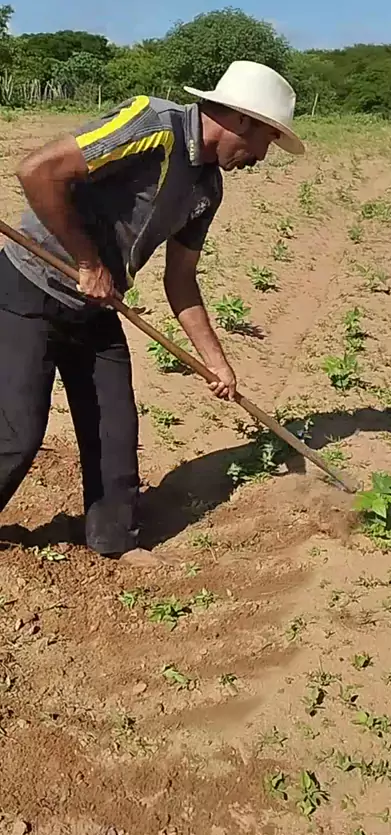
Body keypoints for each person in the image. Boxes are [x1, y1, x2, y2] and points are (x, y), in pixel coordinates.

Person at [0, 60, 304, 559]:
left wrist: (216, 361)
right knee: (16, 434)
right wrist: (88, 261)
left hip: (95, 307)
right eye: (266, 139)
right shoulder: (153, 125)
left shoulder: (208, 190)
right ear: (241, 119)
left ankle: (114, 541)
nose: (261, 156)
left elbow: (180, 280)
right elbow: (37, 171)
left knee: (114, 434)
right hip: (28, 288)